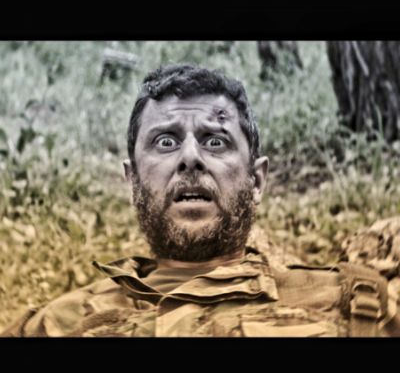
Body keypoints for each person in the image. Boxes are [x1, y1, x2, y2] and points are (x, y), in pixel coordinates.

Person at [2, 64, 400, 337]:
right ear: (132, 181)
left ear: (256, 180)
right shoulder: (55, 325)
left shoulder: (356, 303)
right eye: (165, 141)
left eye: (215, 141)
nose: (190, 157)